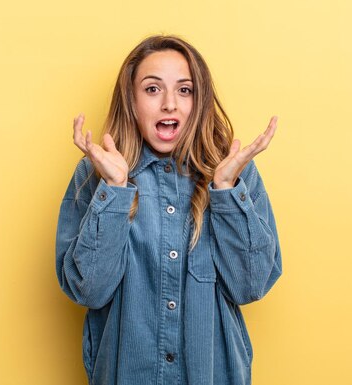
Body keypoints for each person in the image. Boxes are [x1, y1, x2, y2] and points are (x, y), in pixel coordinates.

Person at [56, 34, 282, 385]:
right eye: (152, 89)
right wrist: (114, 192)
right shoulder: (95, 174)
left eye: (184, 90)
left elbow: (250, 286)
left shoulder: (234, 174)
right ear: (130, 100)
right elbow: (89, 290)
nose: (169, 105)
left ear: (200, 99)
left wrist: (225, 192)